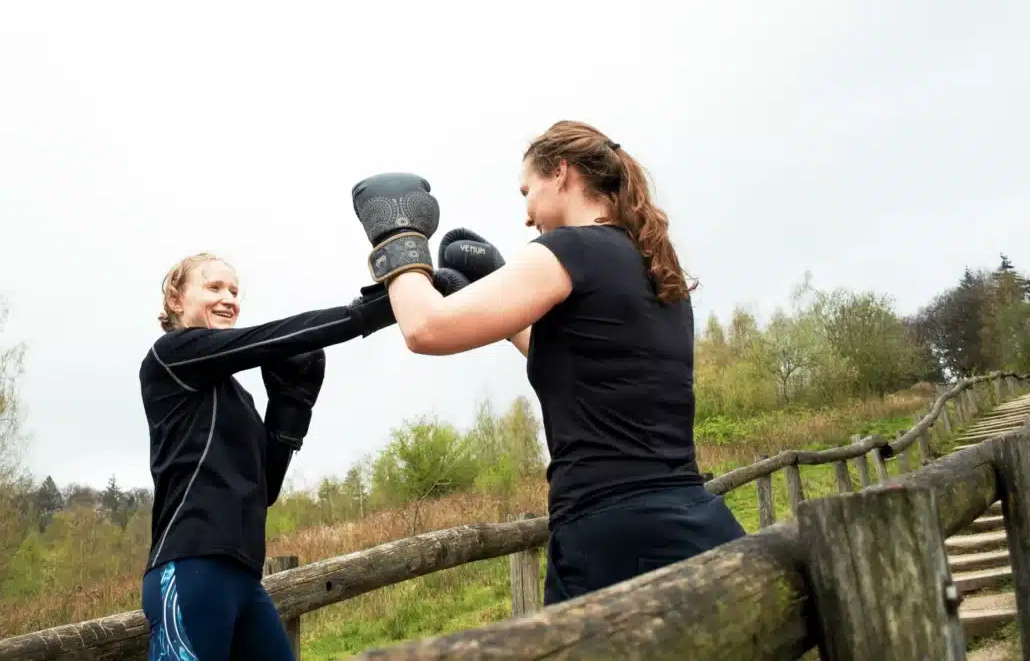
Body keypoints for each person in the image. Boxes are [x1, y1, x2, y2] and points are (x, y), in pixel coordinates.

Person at [349, 120, 747, 606]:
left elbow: (425, 328)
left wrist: (398, 235)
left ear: (561, 173)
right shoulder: (653, 265)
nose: (526, 215)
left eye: (527, 192)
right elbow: (572, 362)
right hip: (692, 521)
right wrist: (492, 285)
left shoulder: (569, 249)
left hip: (612, 542)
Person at [138, 251, 466, 660]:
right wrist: (386, 305)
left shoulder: (237, 397)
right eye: (214, 287)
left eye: (235, 291)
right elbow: (275, 337)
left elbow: (265, 489)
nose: (229, 299)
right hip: (189, 567)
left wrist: (290, 407)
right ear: (174, 299)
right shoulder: (169, 358)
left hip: (244, 577)